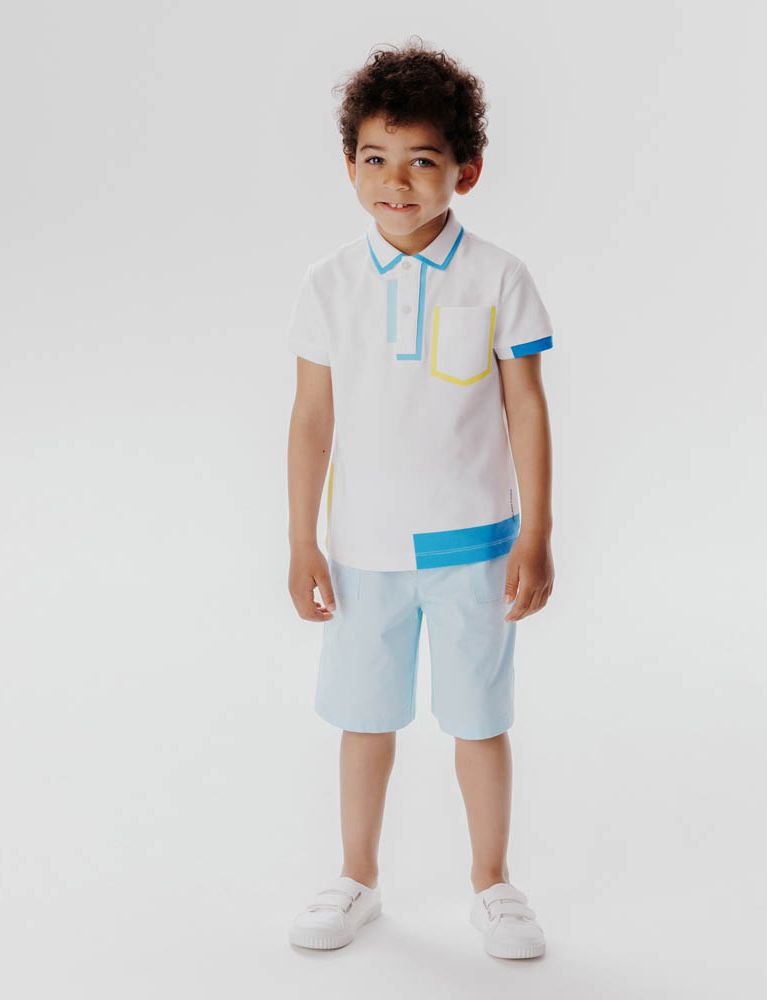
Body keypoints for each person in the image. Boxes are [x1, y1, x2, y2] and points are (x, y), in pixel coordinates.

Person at [285, 38, 555, 960]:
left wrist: (538, 532)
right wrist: (302, 540)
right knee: (365, 717)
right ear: (349, 164)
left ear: (465, 171)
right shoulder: (328, 284)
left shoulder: (498, 277)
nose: (395, 182)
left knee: (479, 718)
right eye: (375, 159)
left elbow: (526, 409)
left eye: (422, 161)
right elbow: (311, 420)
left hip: (473, 545)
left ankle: (494, 883)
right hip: (363, 549)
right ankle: (356, 878)